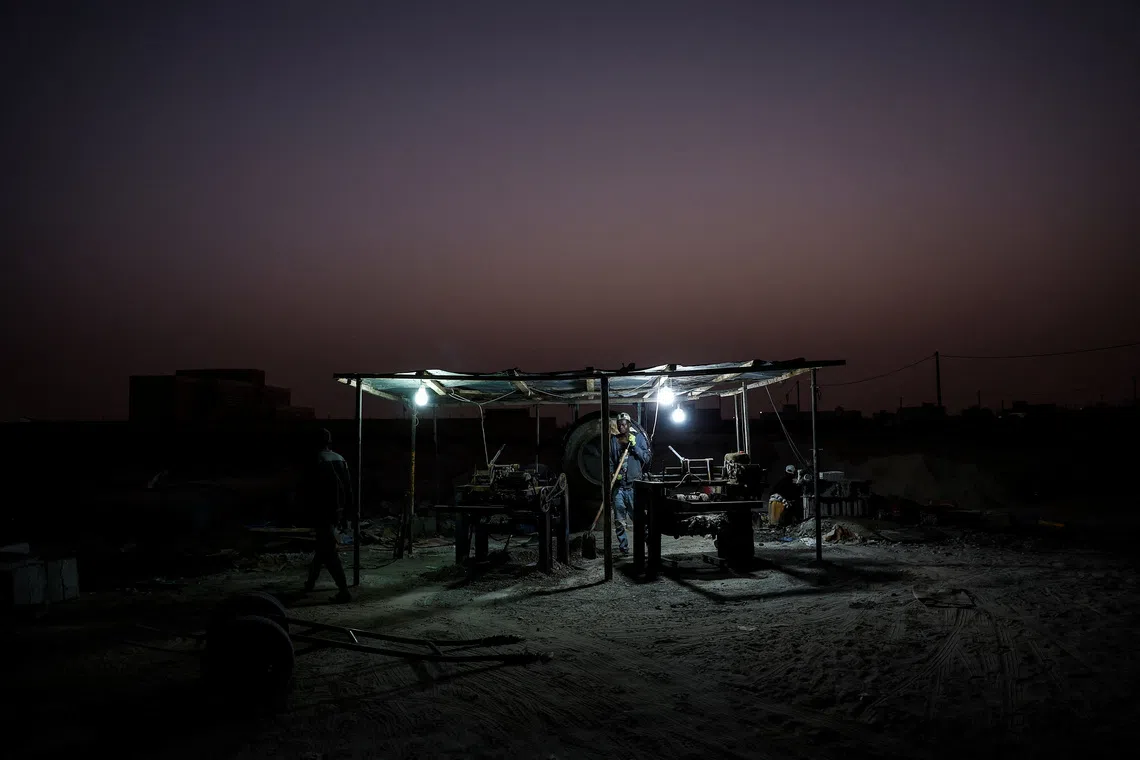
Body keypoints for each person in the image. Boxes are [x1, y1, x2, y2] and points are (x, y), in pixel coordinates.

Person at [300, 428, 352, 602]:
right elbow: (349, 488)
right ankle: (310, 584)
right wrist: (347, 514)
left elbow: (310, 490)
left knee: (328, 551)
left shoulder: (316, 460)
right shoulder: (340, 458)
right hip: (337, 512)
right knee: (323, 549)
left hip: (322, 512)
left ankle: (344, 591)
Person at [608, 412, 652, 556]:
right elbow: (610, 460)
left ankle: (648, 543)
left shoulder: (638, 438)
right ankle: (624, 548)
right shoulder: (614, 440)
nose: (622, 426)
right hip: (619, 487)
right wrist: (613, 473)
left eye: (624, 424)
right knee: (619, 520)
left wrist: (635, 446)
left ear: (629, 424)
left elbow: (646, 458)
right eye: (620, 424)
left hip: (633, 486)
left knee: (639, 519)